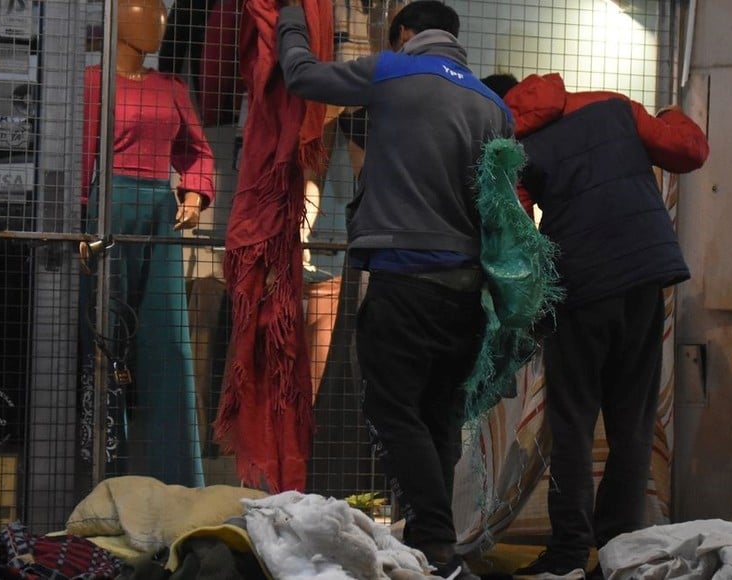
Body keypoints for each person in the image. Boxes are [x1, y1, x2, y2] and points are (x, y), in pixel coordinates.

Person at [276, 2, 514, 578]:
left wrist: (289, 19)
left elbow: (302, 76)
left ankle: (436, 544)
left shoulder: (390, 70)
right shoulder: (493, 106)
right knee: (437, 415)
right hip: (465, 289)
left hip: (404, 277)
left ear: (405, 34)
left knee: (393, 408)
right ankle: (438, 543)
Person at [481, 72, 709, 579]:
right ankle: (620, 551)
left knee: (573, 423)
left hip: (581, 286)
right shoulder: (612, 104)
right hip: (644, 277)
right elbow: (688, 151)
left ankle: (566, 556)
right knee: (632, 425)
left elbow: (516, 237)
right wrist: (670, 114)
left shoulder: (508, 144)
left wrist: (524, 309)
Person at [80, 0, 214, 487]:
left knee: (169, 345)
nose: (157, 20)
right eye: (143, 8)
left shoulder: (171, 88)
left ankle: (177, 480)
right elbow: (79, 150)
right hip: (105, 209)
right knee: (101, 341)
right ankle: (97, 473)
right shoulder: (92, 82)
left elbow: (198, 151)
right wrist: (81, 221)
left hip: (161, 214)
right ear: (117, 17)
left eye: (161, 11)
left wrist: (195, 191)